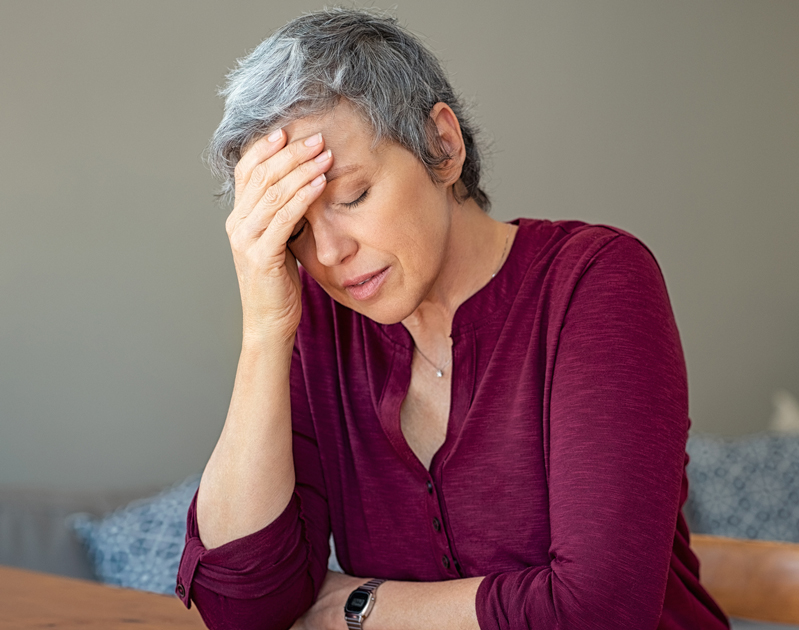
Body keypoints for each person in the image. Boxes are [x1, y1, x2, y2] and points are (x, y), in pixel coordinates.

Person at [177, 8, 729, 630]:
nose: (328, 254)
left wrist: (354, 608)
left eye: (352, 197)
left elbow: (597, 612)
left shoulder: (595, 282)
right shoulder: (320, 328)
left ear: (441, 145)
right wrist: (263, 333)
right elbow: (240, 609)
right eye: (297, 229)